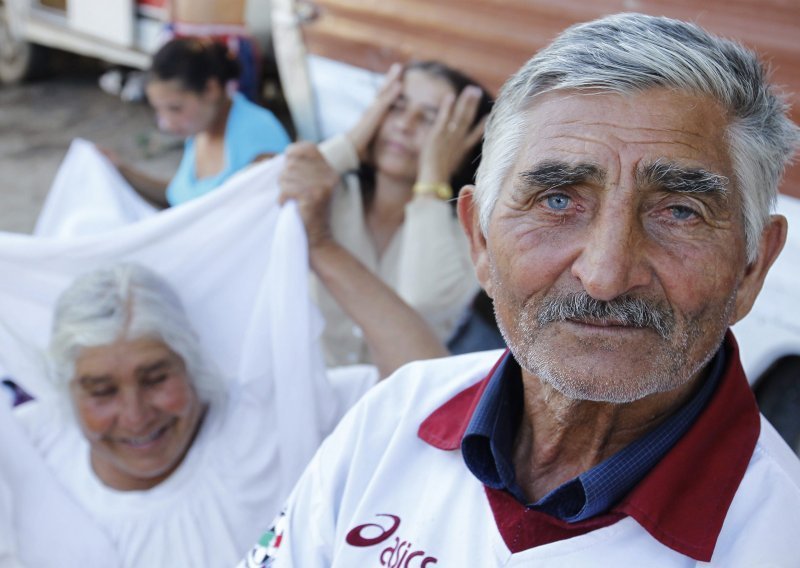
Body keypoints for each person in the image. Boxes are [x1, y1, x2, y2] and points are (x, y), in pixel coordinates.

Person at [238, 13, 800, 566]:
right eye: (557, 200)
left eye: (680, 211)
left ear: (754, 266)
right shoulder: (393, 417)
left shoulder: (779, 536)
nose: (604, 276)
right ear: (479, 238)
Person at [12, 260, 445, 567]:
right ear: (66, 390)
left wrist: (322, 246)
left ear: (190, 362)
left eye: (156, 378)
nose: (135, 415)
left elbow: (431, 391)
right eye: (101, 391)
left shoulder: (266, 424)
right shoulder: (27, 450)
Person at [279, 61, 496, 366]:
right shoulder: (332, 195)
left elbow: (424, 301)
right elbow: (270, 198)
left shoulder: (469, 234)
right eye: (396, 107)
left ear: (463, 142)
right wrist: (353, 142)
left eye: (429, 119)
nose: (405, 124)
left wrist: (433, 178)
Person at [109, 37, 290, 208]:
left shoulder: (260, 137)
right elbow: (179, 198)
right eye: (158, 109)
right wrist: (120, 170)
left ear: (211, 89)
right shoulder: (201, 129)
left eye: (175, 108)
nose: (166, 123)